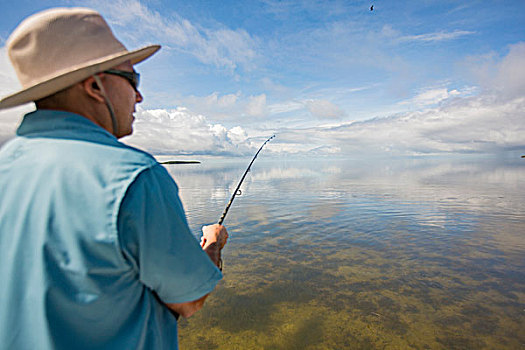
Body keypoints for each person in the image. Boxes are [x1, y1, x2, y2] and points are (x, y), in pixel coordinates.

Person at [0, 7, 228, 349]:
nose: (139, 96)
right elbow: (190, 300)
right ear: (94, 85)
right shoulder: (135, 176)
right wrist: (212, 244)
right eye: (132, 80)